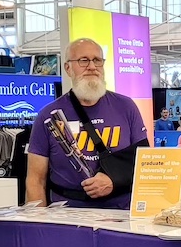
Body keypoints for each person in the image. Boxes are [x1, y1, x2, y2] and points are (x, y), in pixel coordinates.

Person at [26, 38, 149, 209]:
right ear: (68, 68)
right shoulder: (48, 116)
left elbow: (145, 163)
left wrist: (115, 180)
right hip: (68, 216)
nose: (92, 67)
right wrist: (37, 226)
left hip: (121, 215)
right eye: (83, 60)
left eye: (97, 60)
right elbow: (35, 180)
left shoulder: (126, 107)